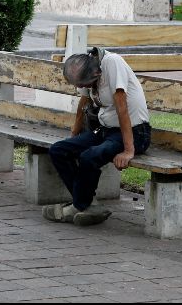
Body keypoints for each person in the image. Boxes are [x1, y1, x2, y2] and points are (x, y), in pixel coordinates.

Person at [42, 47, 151, 226]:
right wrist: (74, 136)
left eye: (84, 84)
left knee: (89, 156)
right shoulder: (89, 68)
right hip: (105, 130)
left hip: (135, 132)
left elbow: (121, 105)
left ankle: (78, 206)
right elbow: (83, 103)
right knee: (59, 150)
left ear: (95, 72)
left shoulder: (112, 62)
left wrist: (128, 150)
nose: (82, 88)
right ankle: (87, 204)